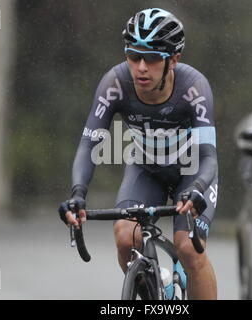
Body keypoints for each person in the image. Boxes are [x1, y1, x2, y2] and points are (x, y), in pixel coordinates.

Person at [59, 8, 219, 300]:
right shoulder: (115, 83)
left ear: (174, 60)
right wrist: (78, 193)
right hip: (146, 169)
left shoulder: (194, 87)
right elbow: (89, 144)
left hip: (192, 171)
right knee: (124, 238)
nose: (141, 67)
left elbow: (208, 158)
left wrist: (197, 188)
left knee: (188, 249)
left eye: (153, 58)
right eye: (134, 56)